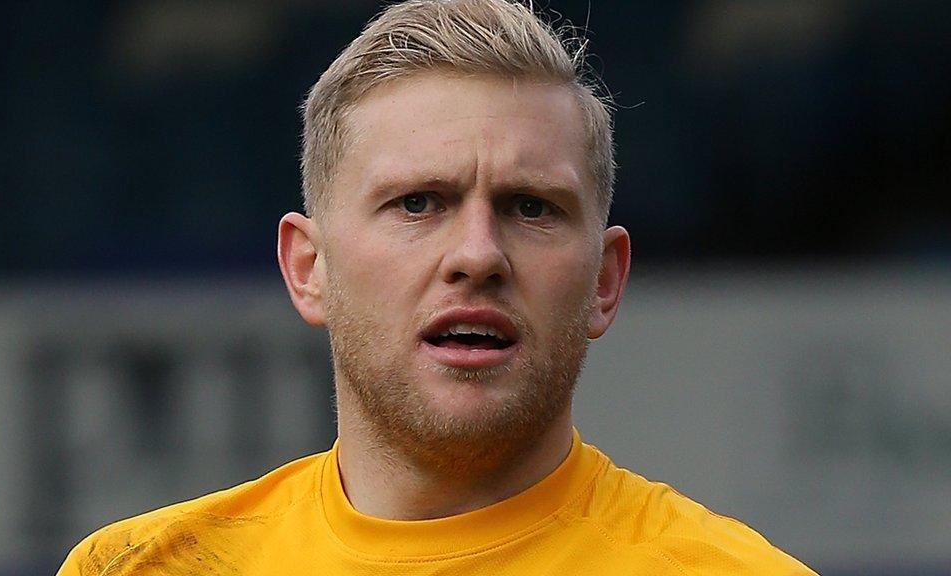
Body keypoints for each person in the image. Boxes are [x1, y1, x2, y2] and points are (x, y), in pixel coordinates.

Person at [57, 1, 817, 573]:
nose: (478, 255)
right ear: (307, 268)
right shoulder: (139, 567)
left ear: (605, 281)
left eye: (531, 207)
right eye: (418, 202)